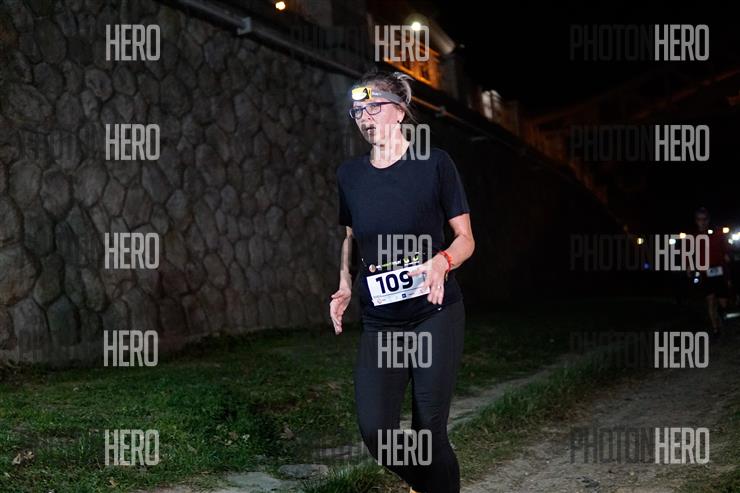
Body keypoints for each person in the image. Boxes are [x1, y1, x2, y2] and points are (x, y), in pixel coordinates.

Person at [329, 70, 475, 493]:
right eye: (358, 111)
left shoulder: (434, 164)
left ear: (399, 111)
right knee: (376, 431)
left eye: (374, 107)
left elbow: (466, 239)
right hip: (381, 323)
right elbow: (351, 237)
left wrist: (442, 262)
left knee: (429, 430)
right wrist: (344, 282)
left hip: (434, 313)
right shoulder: (350, 175)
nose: (365, 117)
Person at [693, 207, 730, 338]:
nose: (702, 222)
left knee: (723, 302)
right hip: (705, 272)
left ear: (708, 220)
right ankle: (715, 329)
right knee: (710, 300)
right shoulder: (693, 237)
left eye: (704, 219)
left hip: (719, 271)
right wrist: (689, 266)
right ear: (696, 221)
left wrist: (726, 255)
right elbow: (688, 253)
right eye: (699, 219)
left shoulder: (716, 233)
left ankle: (721, 314)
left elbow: (725, 248)